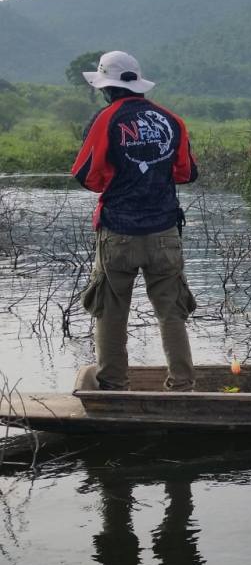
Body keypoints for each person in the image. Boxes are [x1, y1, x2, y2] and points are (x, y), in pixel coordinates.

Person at [72, 51, 199, 391]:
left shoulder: (104, 120)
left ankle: (113, 385)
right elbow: (186, 173)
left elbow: (86, 175)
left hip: (118, 235)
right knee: (171, 312)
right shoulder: (171, 121)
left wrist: (117, 179)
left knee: (111, 312)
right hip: (164, 234)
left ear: (107, 88)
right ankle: (183, 385)